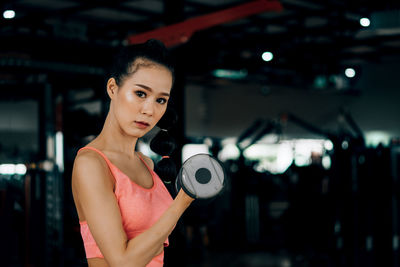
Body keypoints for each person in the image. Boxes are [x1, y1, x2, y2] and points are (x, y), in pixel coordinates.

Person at [71, 39, 194, 267]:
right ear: (112, 88)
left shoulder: (145, 163)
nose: (149, 110)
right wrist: (183, 200)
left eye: (160, 100)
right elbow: (123, 261)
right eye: (140, 93)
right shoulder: (92, 163)